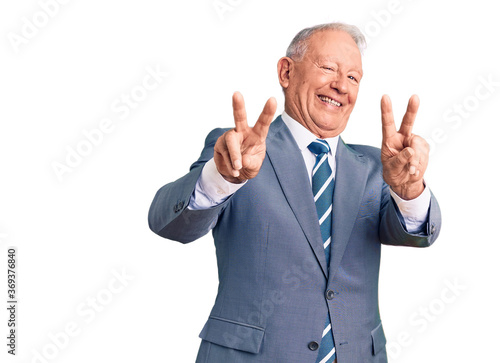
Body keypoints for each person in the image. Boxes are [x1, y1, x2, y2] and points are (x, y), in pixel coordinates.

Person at [148, 22, 441, 363]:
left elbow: (416, 236)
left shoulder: (378, 168)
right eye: (329, 68)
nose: (340, 85)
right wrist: (222, 178)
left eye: (353, 77)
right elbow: (168, 223)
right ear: (286, 72)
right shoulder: (239, 151)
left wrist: (409, 191)